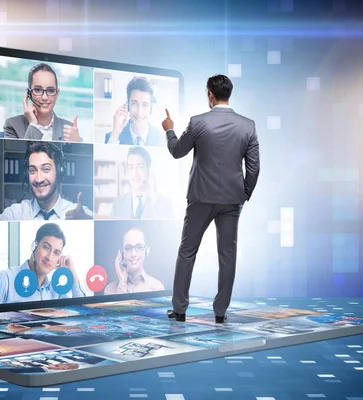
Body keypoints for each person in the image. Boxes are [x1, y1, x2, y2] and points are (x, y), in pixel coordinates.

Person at [161, 74, 260, 323]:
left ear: (210, 95)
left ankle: (180, 310)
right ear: (229, 94)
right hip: (231, 201)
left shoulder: (197, 122)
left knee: (187, 251)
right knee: (227, 256)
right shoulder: (248, 126)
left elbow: (176, 152)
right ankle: (220, 312)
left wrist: (169, 129)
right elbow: (254, 168)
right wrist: (243, 194)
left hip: (199, 199)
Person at [0, 222, 86, 303]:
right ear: (34, 246)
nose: (49, 257)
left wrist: (73, 273)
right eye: (46, 247)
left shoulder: (56, 291)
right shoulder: (7, 279)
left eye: (56, 253)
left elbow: (82, 311)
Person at [0, 141, 92, 220]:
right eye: (32, 170)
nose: (39, 179)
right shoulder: (14, 214)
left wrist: (86, 221)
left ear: (59, 171)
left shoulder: (79, 214)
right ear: (27, 175)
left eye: (46, 169)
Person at [3, 63, 80, 141]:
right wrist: (33, 124)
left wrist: (78, 143)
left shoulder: (70, 130)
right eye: (37, 90)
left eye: (50, 90)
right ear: (29, 93)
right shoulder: (12, 125)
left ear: (57, 93)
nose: (44, 97)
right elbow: (22, 153)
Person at [111, 146, 173, 219]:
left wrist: (155, 197)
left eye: (140, 167)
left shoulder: (163, 203)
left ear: (149, 170)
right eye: (131, 167)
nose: (135, 174)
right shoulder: (118, 203)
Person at [104, 76, 166, 146]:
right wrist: (115, 134)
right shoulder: (112, 137)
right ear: (127, 106)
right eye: (134, 104)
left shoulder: (162, 139)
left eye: (145, 105)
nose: (139, 112)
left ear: (151, 108)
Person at [104, 226, 165, 295]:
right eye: (128, 248)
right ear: (121, 254)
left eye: (139, 247)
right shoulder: (110, 290)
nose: (133, 254)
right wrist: (122, 283)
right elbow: (120, 306)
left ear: (147, 251)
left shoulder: (157, 287)